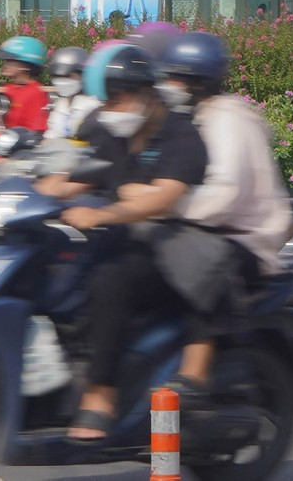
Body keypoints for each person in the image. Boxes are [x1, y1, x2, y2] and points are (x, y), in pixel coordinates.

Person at [36, 44, 214, 440]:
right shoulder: (104, 126)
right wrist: (38, 183)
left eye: (118, 96)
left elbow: (164, 197)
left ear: (148, 93)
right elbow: (72, 168)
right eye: (105, 98)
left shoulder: (181, 136)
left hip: (170, 247)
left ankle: (101, 395)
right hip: (119, 236)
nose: (110, 107)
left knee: (109, 280)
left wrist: (102, 213)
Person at [159, 32, 293, 274]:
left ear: (197, 83)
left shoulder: (227, 119)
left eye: (173, 79)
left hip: (242, 243)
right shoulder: (200, 116)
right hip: (207, 236)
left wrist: (165, 205)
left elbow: (224, 194)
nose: (167, 86)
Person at [0, 34, 51, 133]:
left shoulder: (35, 93)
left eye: (10, 61)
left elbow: (37, 131)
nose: (5, 65)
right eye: (6, 61)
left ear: (26, 65)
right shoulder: (8, 88)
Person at [44, 45, 98, 142]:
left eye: (68, 76)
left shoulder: (92, 106)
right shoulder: (60, 104)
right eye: (58, 76)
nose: (62, 81)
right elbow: (51, 135)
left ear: (83, 76)